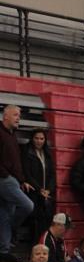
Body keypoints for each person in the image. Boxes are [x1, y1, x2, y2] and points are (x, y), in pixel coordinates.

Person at [0, 105, 34, 254]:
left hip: (12, 179)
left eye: (19, 115)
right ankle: (11, 231)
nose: (18, 118)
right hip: (4, 179)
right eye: (15, 115)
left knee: (4, 216)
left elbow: (16, 163)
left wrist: (22, 180)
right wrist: (6, 175)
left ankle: (4, 252)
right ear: (5, 116)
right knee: (28, 205)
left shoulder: (12, 135)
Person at [21, 128, 55, 245]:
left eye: (42, 139)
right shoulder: (27, 151)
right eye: (36, 138)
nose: (39, 141)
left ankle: (44, 247)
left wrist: (48, 190)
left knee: (46, 221)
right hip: (33, 192)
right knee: (34, 223)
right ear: (32, 138)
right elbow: (27, 173)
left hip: (46, 194)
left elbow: (52, 174)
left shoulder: (47, 153)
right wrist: (40, 189)